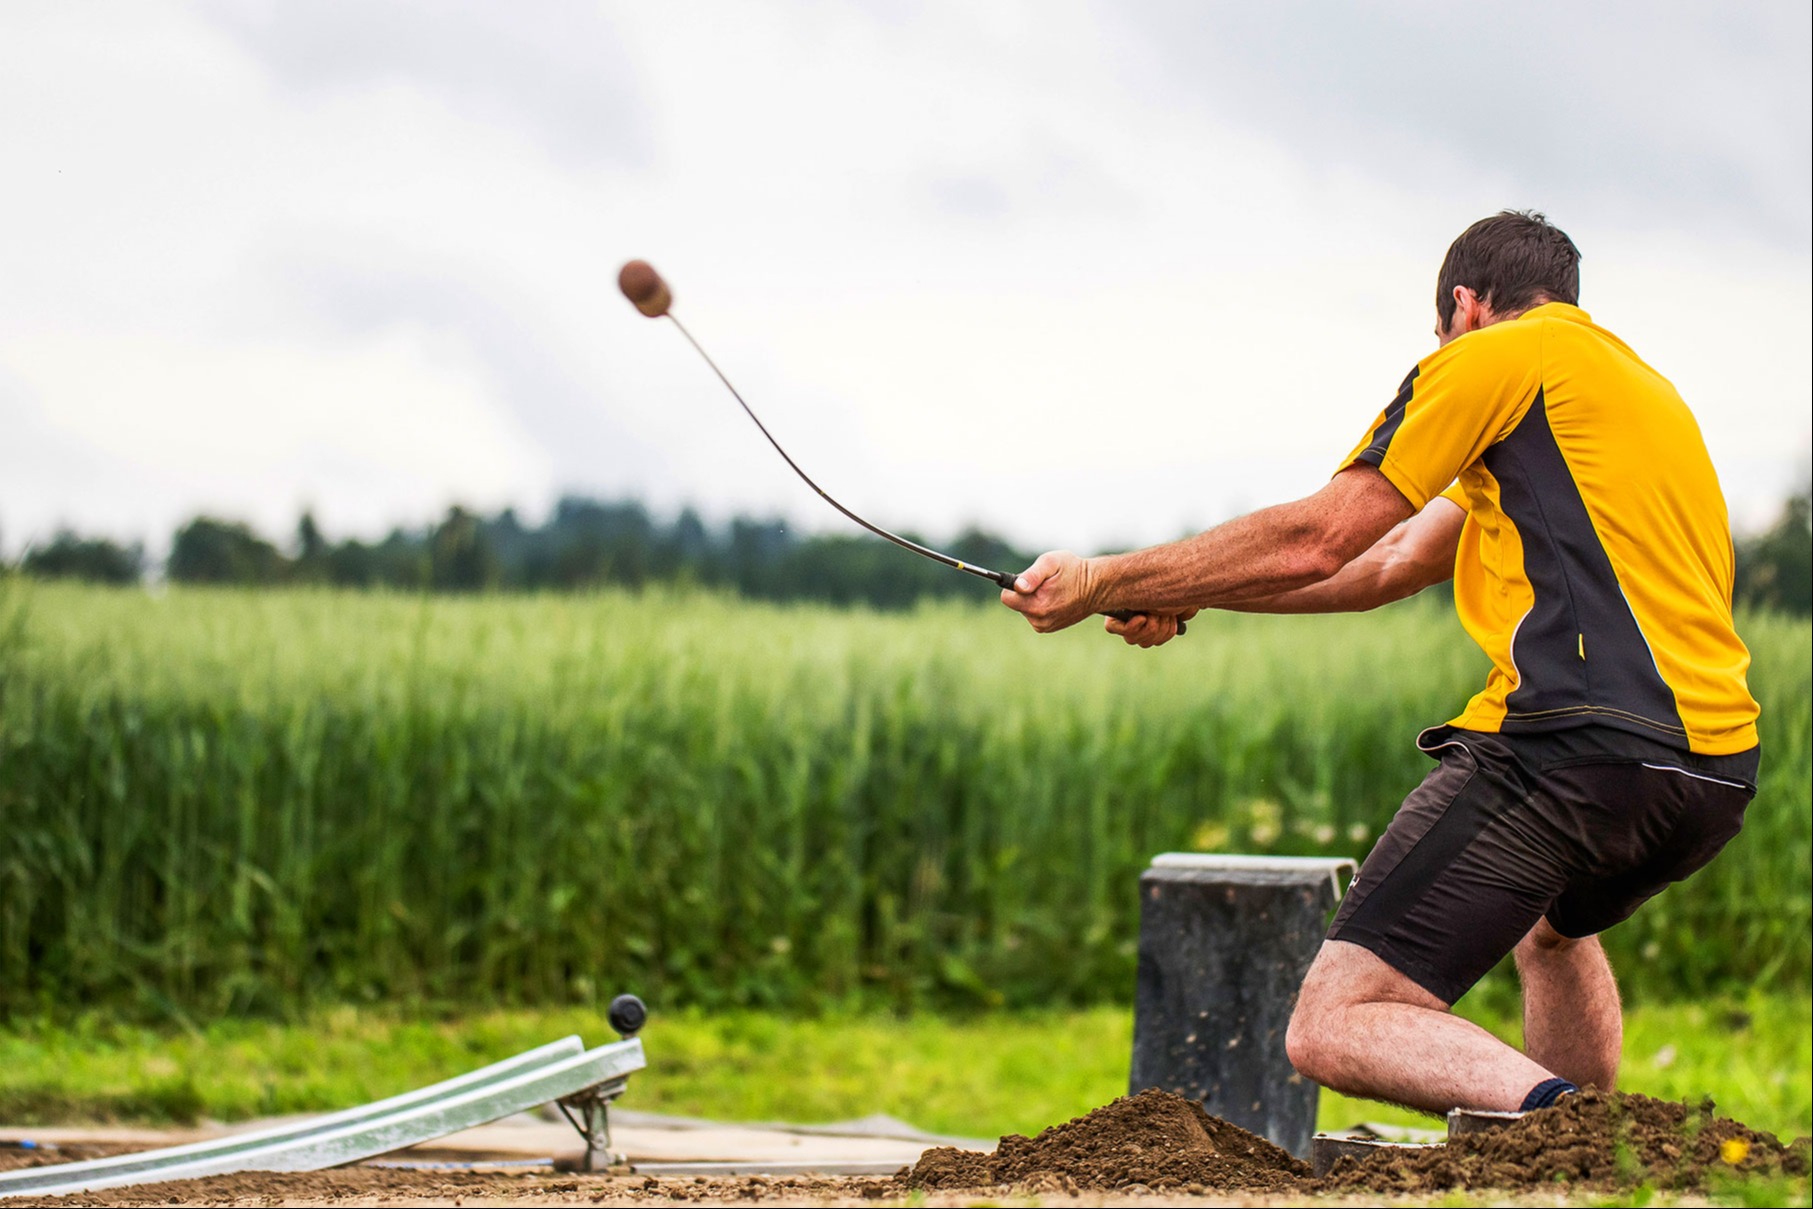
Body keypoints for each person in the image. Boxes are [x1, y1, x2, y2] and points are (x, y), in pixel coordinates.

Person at [999, 210, 1761, 1116]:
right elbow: (1386, 563)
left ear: (1464, 306)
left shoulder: (1488, 360)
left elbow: (1323, 537)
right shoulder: (1636, 396)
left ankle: (1574, 1125)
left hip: (1572, 749)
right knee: (1550, 937)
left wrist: (1102, 577)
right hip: (1710, 774)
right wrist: (1191, 589)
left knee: (1335, 1020)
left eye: (1439, 328)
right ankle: (1582, 1168)